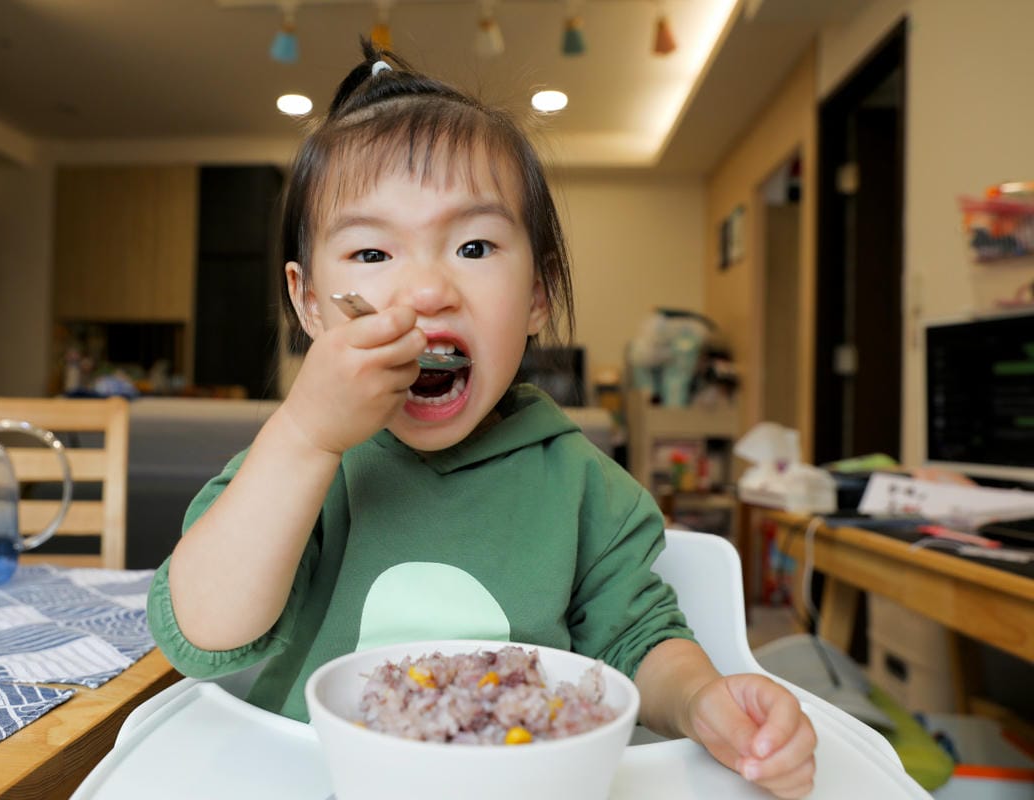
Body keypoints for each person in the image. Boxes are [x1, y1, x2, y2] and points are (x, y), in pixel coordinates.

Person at [148, 42, 816, 798]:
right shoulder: (300, 466)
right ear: (308, 302)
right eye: (371, 252)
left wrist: (701, 700)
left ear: (538, 293)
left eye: (473, 246)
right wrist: (304, 436)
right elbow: (205, 633)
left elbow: (639, 639)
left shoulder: (580, 483)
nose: (427, 289)